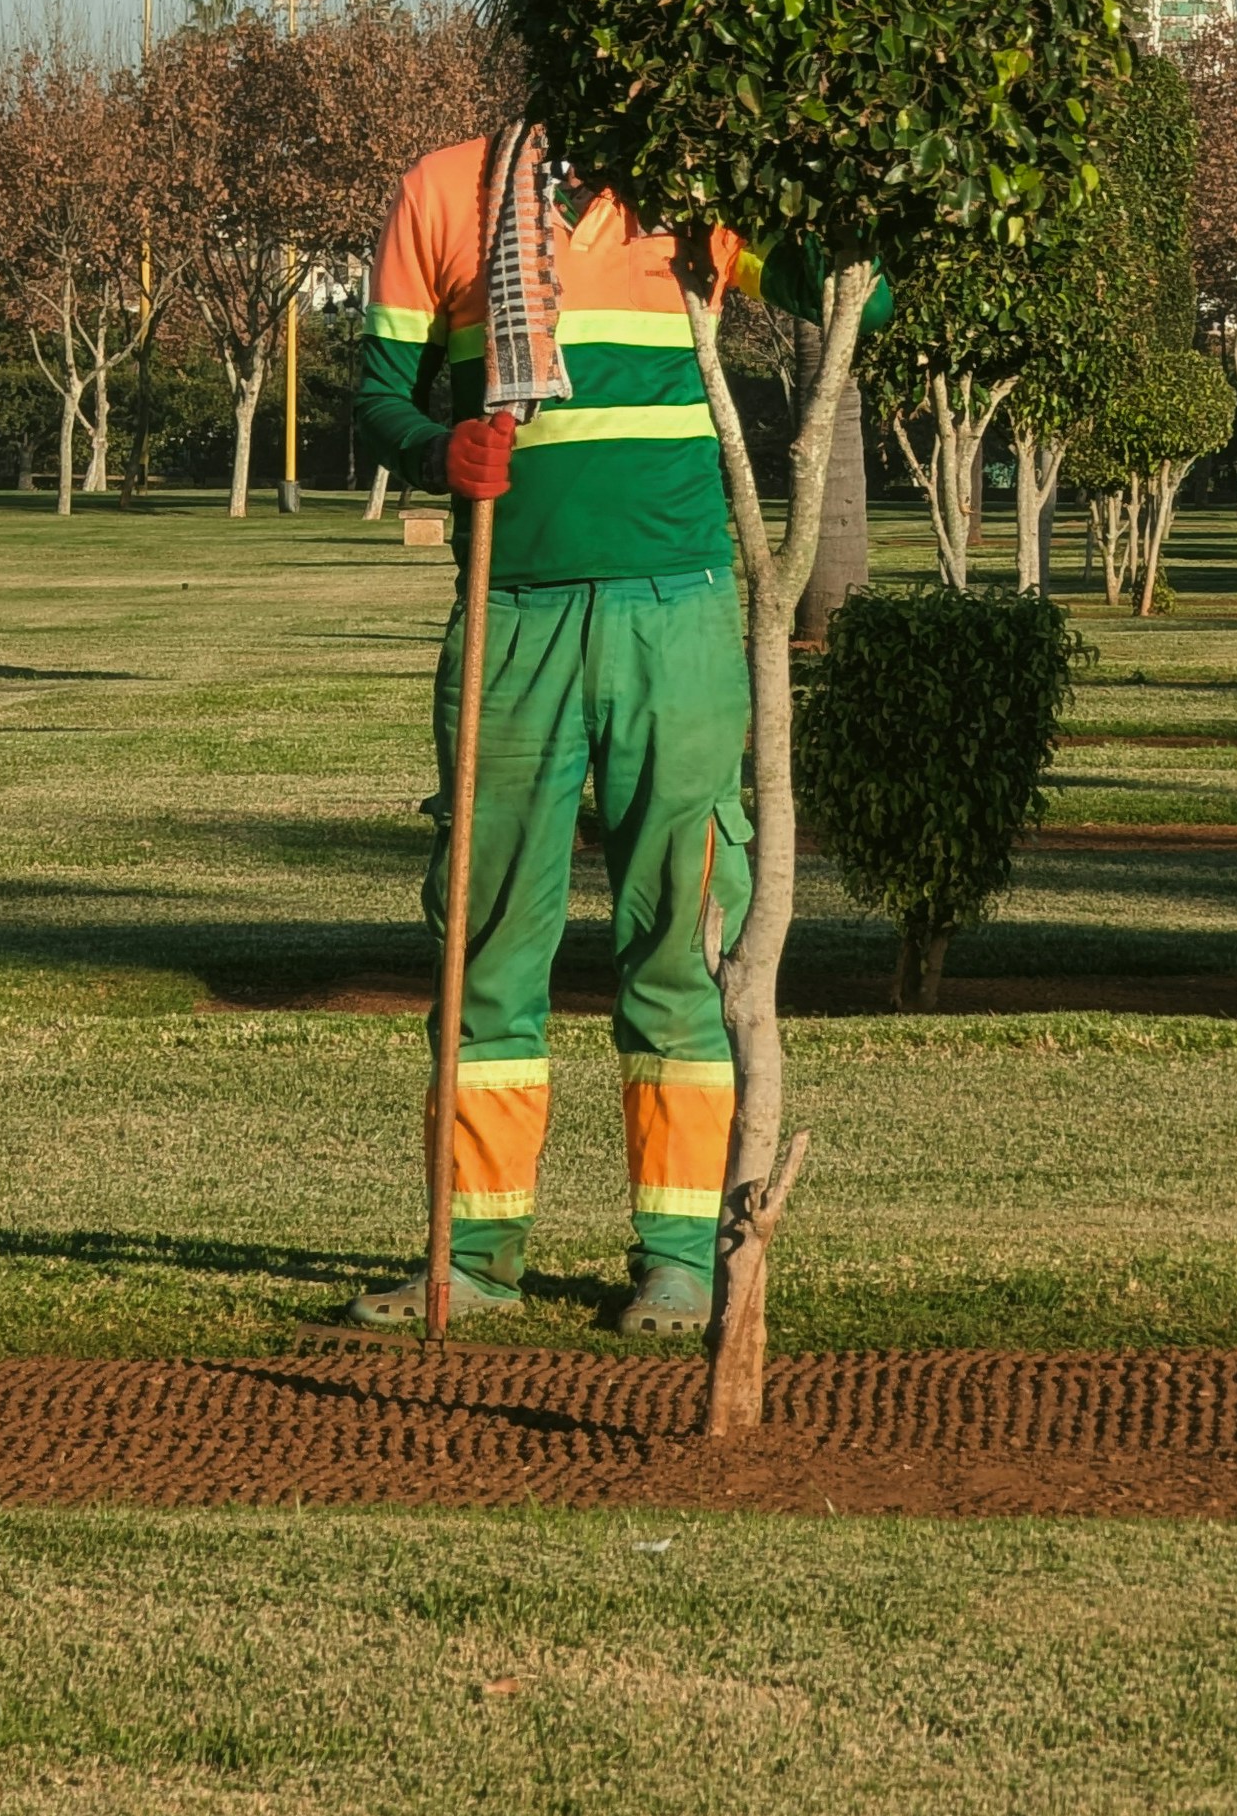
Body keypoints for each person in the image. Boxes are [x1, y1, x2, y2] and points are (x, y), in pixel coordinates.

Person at [345, 126, 877, 1336]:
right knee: (483, 941)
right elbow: (375, 392)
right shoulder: (448, 187)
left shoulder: (702, 186)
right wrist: (440, 449)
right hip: (507, 613)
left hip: (677, 614)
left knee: (686, 934)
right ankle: (471, 1256)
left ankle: (681, 1256)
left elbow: (851, 292)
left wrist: (859, 169)